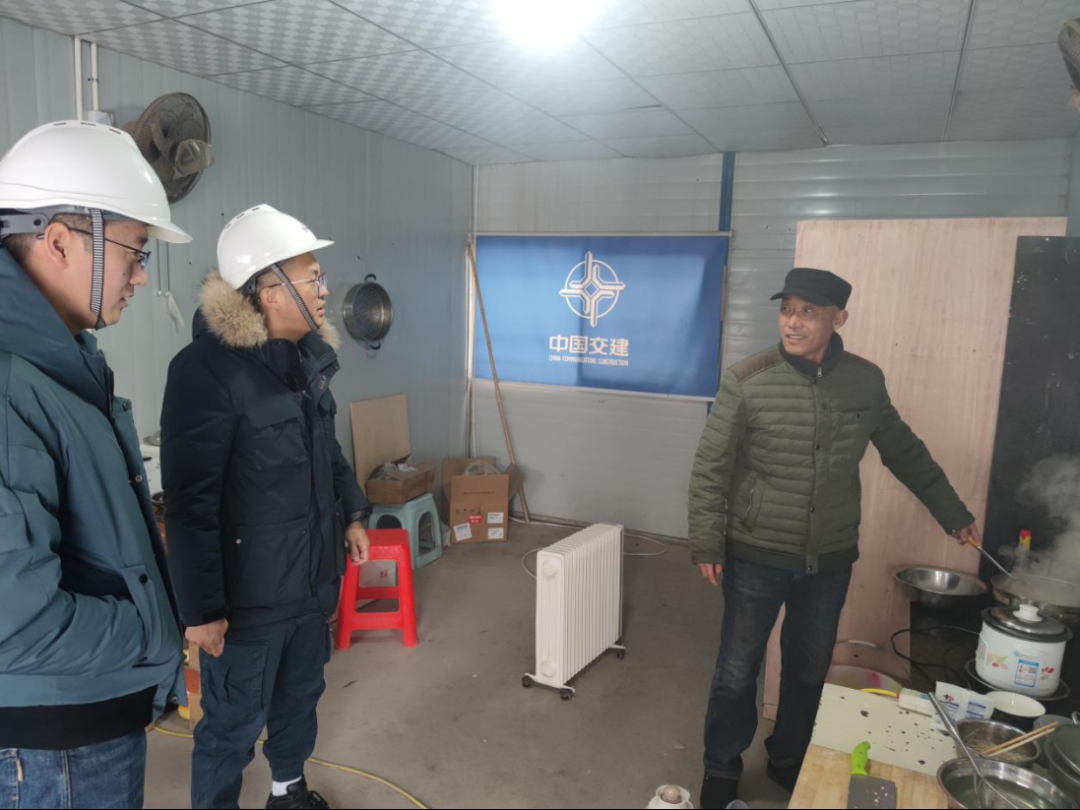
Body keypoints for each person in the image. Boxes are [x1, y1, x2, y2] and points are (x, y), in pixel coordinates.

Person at [688, 267, 980, 809]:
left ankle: (789, 759)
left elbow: (904, 450)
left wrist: (952, 513)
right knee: (737, 669)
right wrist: (706, 542)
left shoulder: (865, 381)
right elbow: (711, 468)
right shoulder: (748, 380)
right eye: (787, 309)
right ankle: (721, 767)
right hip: (756, 552)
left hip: (829, 557)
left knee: (807, 668)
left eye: (808, 312)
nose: (793, 322)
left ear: (838, 318)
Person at [0, 120, 191, 809]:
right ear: (58, 242)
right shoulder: (11, 386)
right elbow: (15, 625)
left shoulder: (59, 366)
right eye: (135, 253)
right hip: (55, 748)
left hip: (80, 720)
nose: (141, 276)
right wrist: (155, 626)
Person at [162, 204, 372, 810]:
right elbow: (190, 501)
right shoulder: (205, 371)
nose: (325, 290)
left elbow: (327, 450)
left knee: (299, 701)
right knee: (230, 728)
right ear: (269, 289)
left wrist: (353, 512)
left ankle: (287, 793)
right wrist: (201, 610)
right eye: (313, 278)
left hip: (309, 586)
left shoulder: (305, 360)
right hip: (247, 603)